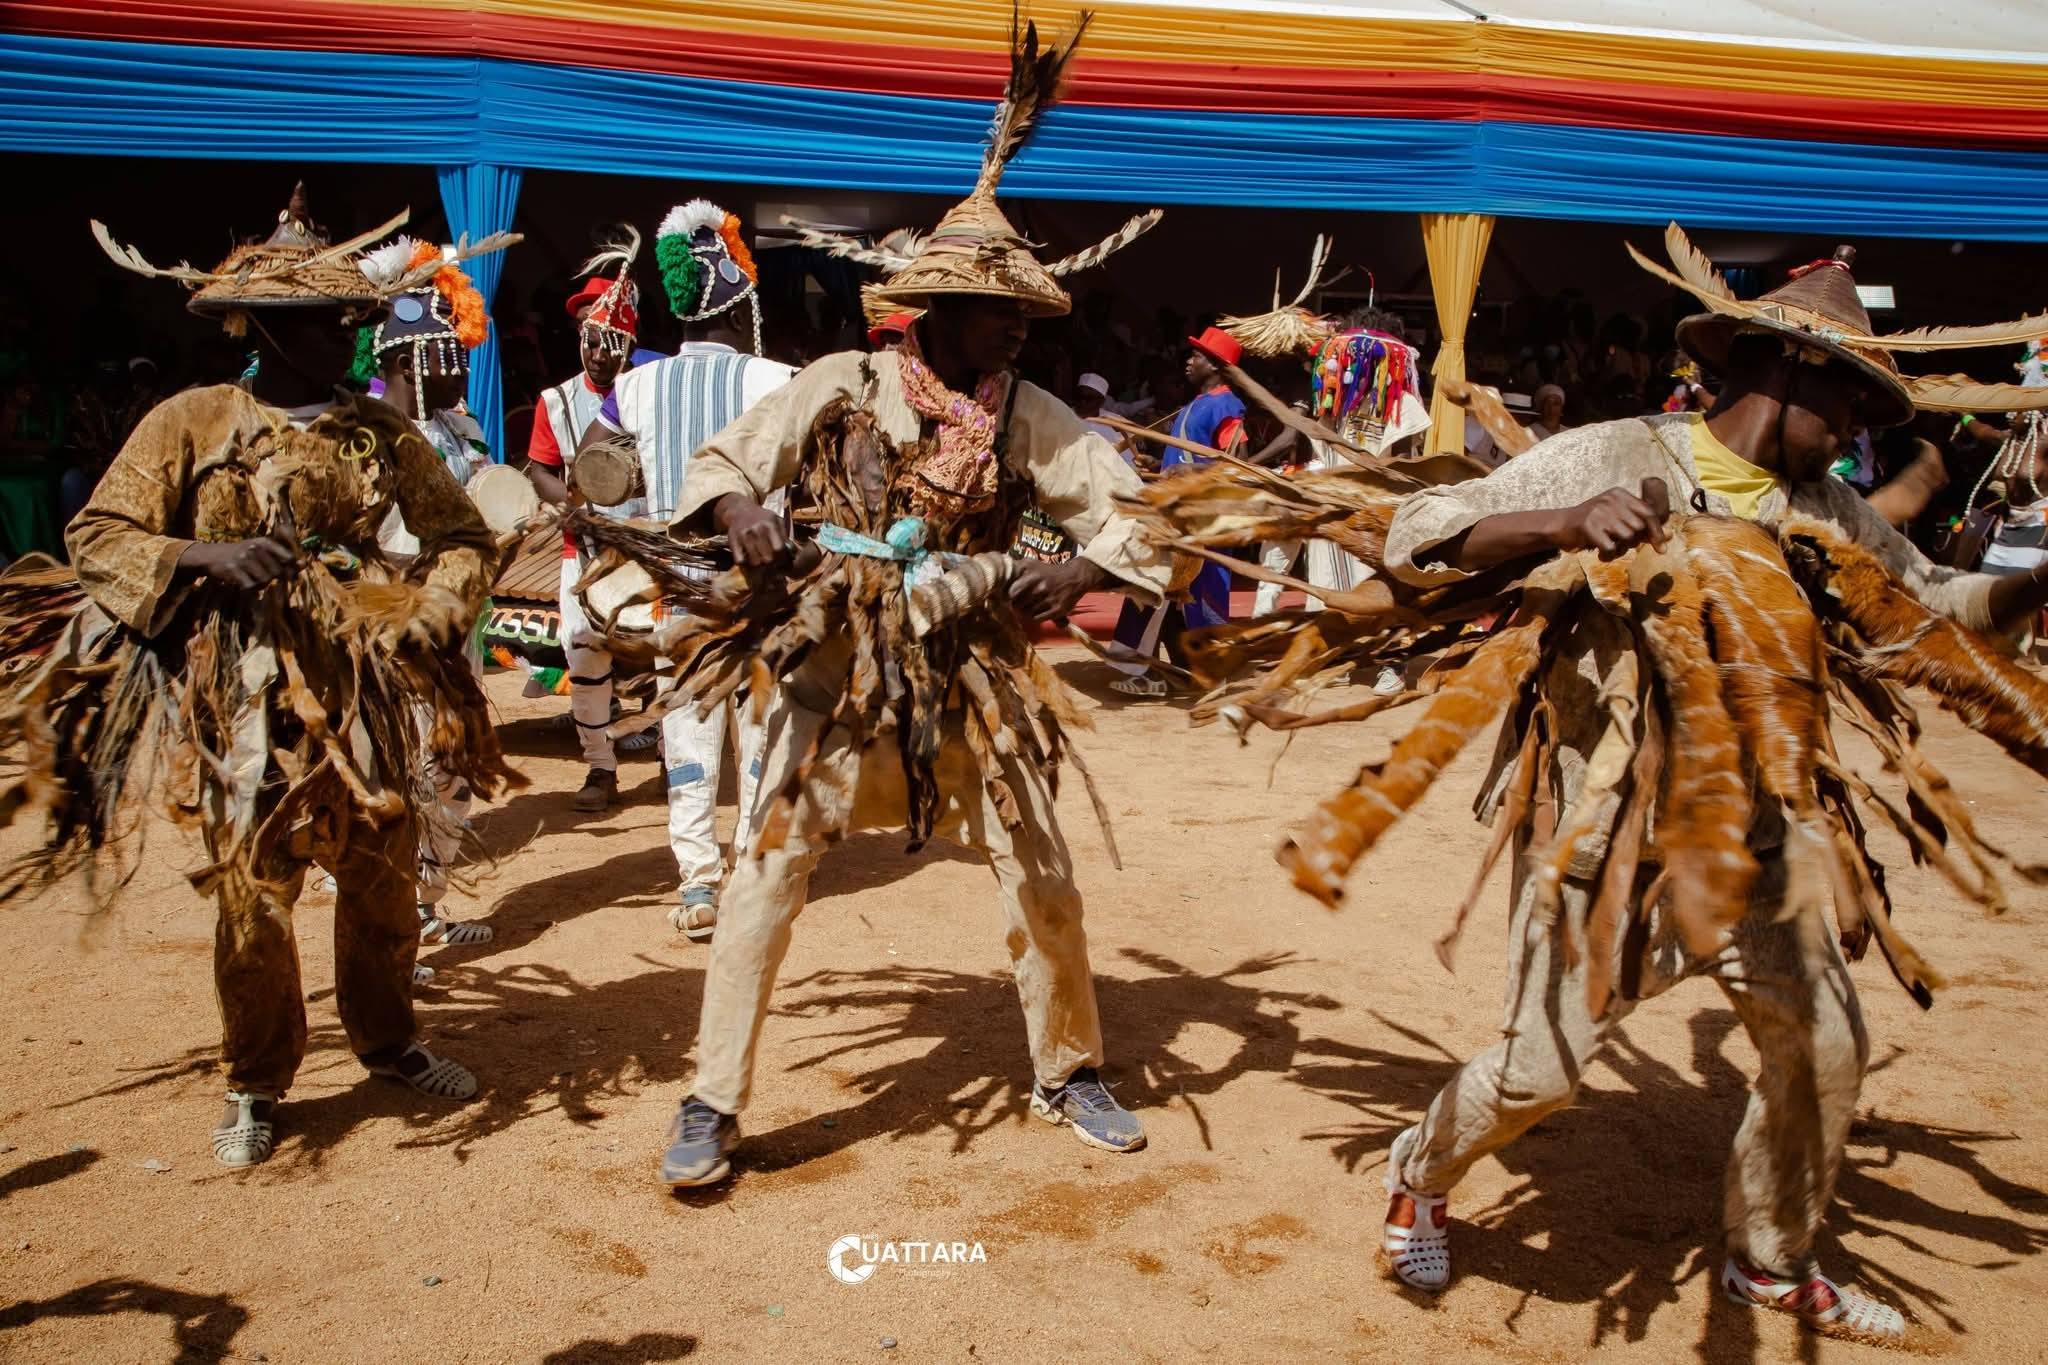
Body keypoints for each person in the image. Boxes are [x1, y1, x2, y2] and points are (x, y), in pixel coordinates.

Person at [1375, 236, 2048, 1342]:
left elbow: (1936, 605)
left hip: (1758, 840)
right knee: (1539, 1075)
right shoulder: (1614, 448)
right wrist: (1561, 522)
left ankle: (1770, 1261)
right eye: (1848, 407)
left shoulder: (1827, 510)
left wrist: (2035, 580)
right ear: (1784, 372)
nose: (1855, 436)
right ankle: (1419, 1172)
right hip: (1606, 840)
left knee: (1822, 1046)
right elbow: (1414, 537)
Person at [651, 13, 1168, 1187]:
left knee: (1039, 868)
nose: (1013, 329)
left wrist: (1081, 567)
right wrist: (747, 520)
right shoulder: (840, 384)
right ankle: (710, 1101)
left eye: (1023, 316)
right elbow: (730, 464)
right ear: (933, 305)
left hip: (971, 680)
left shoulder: (1029, 412)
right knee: (765, 877)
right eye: (996, 313)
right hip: (828, 672)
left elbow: (1132, 514)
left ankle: (1068, 1068)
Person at [40, 186, 512, 1166]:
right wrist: (201, 560)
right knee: (254, 892)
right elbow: (97, 535)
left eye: (347, 320)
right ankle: (256, 1078)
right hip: (241, 695)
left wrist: (426, 609)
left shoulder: (380, 432)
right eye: (318, 323)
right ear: (261, 325)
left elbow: (462, 536)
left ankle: (388, 1040)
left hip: (360, 687)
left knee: (382, 877)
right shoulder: (193, 421)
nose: (343, 339)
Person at [572, 199, 793, 936]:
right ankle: (753, 877)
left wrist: (645, 485)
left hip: (677, 599)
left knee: (689, 739)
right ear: (740, 308)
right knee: (760, 742)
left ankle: (698, 884)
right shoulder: (777, 380)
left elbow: (590, 472)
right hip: (761, 600)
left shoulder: (633, 387)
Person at [353, 237, 505, 952]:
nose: (461, 369)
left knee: (453, 768)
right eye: (451, 356)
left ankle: (429, 906)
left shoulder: (460, 426)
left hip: (459, 631)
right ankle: (399, 929)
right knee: (408, 770)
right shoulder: (370, 438)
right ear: (412, 360)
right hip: (402, 631)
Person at [522, 235, 652, 812]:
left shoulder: (650, 389)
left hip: (650, 548)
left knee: (671, 654)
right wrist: (575, 507)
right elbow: (538, 470)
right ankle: (601, 768)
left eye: (611, 344)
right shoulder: (556, 401)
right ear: (578, 340)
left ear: (628, 343)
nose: (600, 355)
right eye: (591, 343)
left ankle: (679, 760)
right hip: (584, 551)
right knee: (584, 657)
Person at [1107, 326, 1244, 697]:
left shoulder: (1227, 407)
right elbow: (1185, 456)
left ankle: (1208, 672)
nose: (1189, 360)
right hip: (1176, 514)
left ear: (1216, 366)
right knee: (1157, 586)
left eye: (1197, 355)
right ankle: (1147, 667)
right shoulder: (1195, 405)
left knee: (1205, 590)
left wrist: (1189, 471)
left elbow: (1237, 466)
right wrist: (1158, 463)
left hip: (1204, 518)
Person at [1074, 371, 1121, 449]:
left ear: (1101, 402)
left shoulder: (1115, 421)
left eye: (1089, 398)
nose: (1082, 401)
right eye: (1079, 396)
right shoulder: (1064, 416)